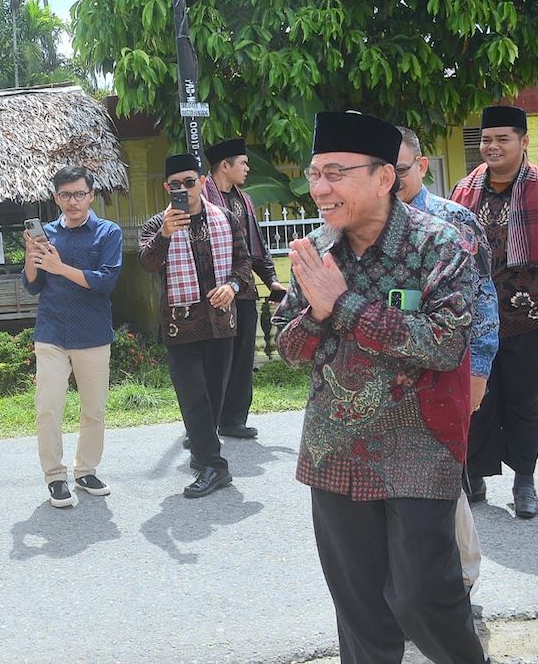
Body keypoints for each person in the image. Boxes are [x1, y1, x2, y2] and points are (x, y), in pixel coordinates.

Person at [272, 111, 484, 663]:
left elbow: (445, 343)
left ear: (384, 176)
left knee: (421, 598)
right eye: (315, 173)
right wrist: (318, 311)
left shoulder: (439, 244)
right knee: (360, 613)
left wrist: (343, 306)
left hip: (419, 447)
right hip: (333, 449)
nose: (320, 188)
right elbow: (289, 350)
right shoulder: (315, 253)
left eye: (336, 173)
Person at [397, 125, 500, 592]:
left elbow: (484, 299)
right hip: (387, 379)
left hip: (447, 373)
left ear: (421, 166)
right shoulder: (363, 225)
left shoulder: (454, 220)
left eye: (399, 171)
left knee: (442, 475)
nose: (391, 182)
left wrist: (478, 370)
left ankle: (461, 580)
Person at [451, 105, 538, 519]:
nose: (492, 146)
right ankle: (476, 474)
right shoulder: (463, 191)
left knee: (525, 402)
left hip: (531, 318)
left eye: (502, 139)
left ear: (523, 142)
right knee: (477, 400)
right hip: (475, 321)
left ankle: (524, 479)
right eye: (486, 139)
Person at [139, 153, 250, 498]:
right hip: (180, 328)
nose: (184, 189)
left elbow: (244, 264)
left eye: (190, 182)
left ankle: (204, 451)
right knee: (193, 397)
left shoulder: (227, 219)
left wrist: (231, 287)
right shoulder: (156, 224)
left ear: (203, 182)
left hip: (221, 324)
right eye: (176, 184)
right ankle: (215, 467)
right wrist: (165, 234)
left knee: (212, 399)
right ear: (166, 188)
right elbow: (147, 263)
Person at [22, 165, 122, 508]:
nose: (73, 201)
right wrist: (31, 255)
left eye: (80, 194)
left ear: (91, 195)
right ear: (56, 198)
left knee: (93, 410)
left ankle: (86, 470)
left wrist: (59, 267)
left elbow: (105, 281)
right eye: (66, 195)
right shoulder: (47, 234)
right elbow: (33, 284)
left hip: (93, 333)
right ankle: (54, 476)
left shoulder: (108, 233)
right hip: (50, 332)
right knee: (48, 408)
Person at [203, 138, 286, 438]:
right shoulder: (201, 198)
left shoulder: (244, 201)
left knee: (241, 357)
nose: (248, 168)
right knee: (212, 359)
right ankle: (203, 425)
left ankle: (233, 419)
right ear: (225, 166)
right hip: (211, 294)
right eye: (243, 163)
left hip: (244, 290)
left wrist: (271, 280)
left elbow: (256, 246)